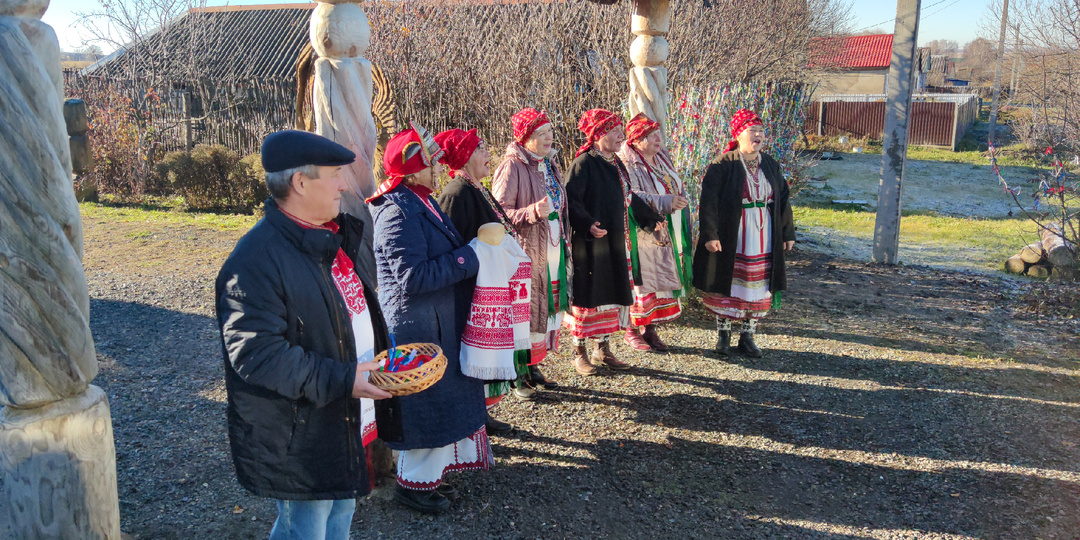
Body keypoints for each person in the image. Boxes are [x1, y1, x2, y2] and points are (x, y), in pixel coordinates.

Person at [216, 130, 393, 540]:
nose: (344, 184)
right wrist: (346, 379)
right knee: (306, 530)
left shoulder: (330, 238)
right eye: (334, 174)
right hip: (302, 434)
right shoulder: (255, 260)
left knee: (339, 513)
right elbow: (258, 355)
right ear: (300, 183)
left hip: (340, 416)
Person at [368, 124, 490, 514]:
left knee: (440, 403)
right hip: (417, 328)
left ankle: (429, 479)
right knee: (424, 404)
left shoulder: (418, 200)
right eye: (430, 162)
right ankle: (414, 488)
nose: (438, 168)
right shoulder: (395, 211)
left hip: (435, 321)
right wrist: (470, 256)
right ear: (412, 167)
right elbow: (412, 277)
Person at [563, 109, 664, 374]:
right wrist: (587, 223)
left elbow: (629, 198)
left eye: (621, 129)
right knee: (589, 295)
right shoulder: (583, 163)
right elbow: (570, 200)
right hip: (591, 243)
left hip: (615, 241)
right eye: (614, 130)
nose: (621, 135)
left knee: (610, 293)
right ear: (598, 134)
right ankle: (579, 350)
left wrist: (652, 221)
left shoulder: (616, 164)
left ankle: (603, 348)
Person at [435, 127, 521, 433]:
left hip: (484, 287)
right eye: (480, 149)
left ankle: (479, 413)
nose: (488, 155)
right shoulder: (456, 194)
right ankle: (471, 417)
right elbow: (450, 247)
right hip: (469, 291)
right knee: (469, 352)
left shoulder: (475, 189)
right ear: (464, 156)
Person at [693, 109, 795, 357]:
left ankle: (748, 336)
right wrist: (710, 234)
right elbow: (708, 202)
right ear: (738, 135)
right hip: (733, 234)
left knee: (758, 286)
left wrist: (788, 232)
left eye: (761, 131)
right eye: (752, 131)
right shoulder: (723, 164)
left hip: (764, 234)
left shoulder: (770, 164)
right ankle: (724, 334)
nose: (758, 135)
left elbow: (782, 198)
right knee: (728, 283)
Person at [491, 108, 569, 395]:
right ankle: (517, 373)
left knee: (543, 308)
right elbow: (498, 214)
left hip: (550, 247)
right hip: (525, 250)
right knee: (523, 312)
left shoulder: (548, 163)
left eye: (550, 131)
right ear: (526, 138)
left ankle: (534, 364)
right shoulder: (511, 167)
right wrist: (532, 212)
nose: (549, 137)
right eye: (541, 133)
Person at [617, 113, 692, 352]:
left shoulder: (661, 158)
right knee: (641, 278)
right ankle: (631, 328)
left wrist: (678, 199)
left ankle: (650, 327)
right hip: (641, 228)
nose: (657, 138)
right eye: (650, 135)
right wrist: (664, 202)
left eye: (657, 133)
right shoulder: (627, 162)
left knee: (659, 278)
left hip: (666, 226)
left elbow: (675, 183)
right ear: (636, 139)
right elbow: (632, 195)